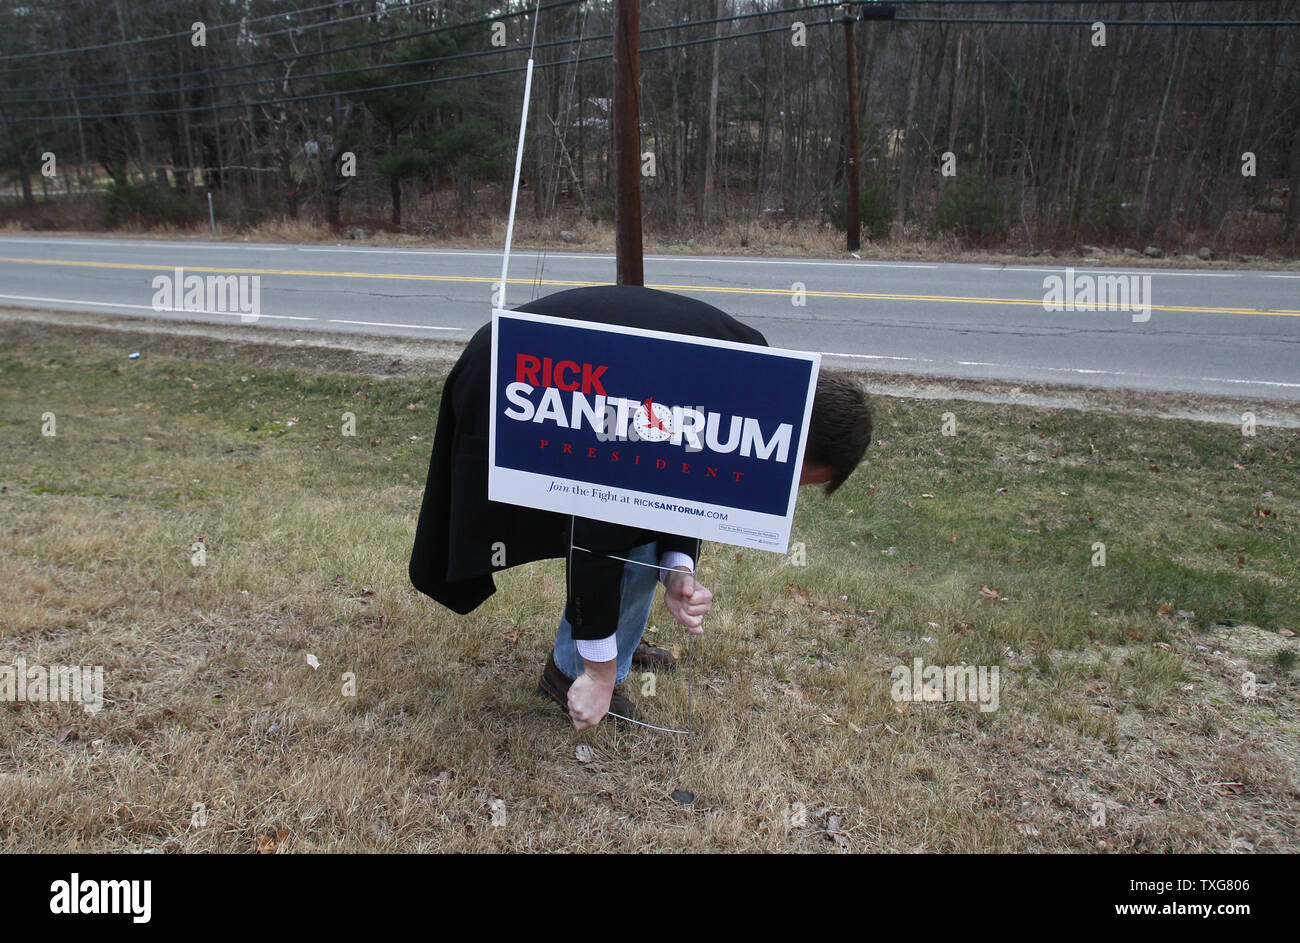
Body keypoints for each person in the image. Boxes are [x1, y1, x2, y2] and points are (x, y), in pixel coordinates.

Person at [409, 284, 872, 730]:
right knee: (624, 528)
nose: (785, 492)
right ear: (791, 440)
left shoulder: (757, 387)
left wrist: (677, 568)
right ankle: (572, 671)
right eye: (794, 479)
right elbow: (600, 526)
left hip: (579, 384)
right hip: (516, 372)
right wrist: (600, 674)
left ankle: (612, 643)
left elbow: (681, 486)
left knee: (641, 528)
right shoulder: (739, 377)